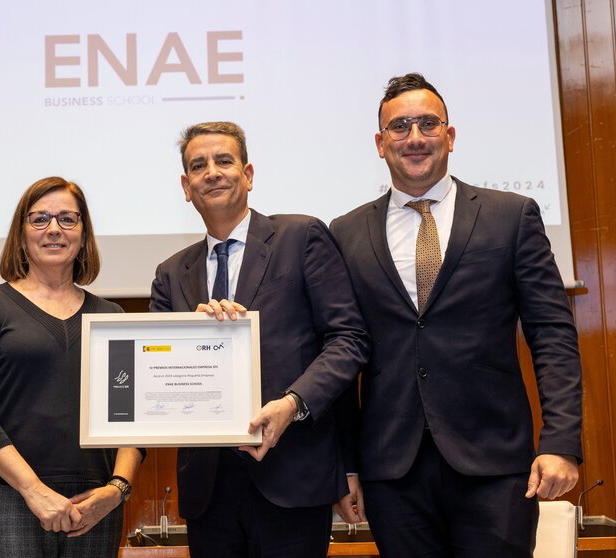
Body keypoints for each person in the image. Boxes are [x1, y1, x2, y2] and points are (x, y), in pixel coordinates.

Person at [329, 73, 583, 557]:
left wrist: (561, 441)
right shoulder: (346, 232)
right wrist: (346, 466)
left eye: (428, 124)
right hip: (391, 467)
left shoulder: (511, 216)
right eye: (400, 127)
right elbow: (343, 352)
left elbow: (552, 334)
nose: (415, 137)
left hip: (495, 463)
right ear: (380, 144)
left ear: (450, 135)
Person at [149, 122, 370, 557]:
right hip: (208, 490)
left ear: (248, 174)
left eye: (224, 161)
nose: (212, 172)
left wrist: (292, 404)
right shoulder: (171, 274)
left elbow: (349, 340)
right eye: (198, 165)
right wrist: (186, 336)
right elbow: (156, 379)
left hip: (293, 473)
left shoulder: (301, 237)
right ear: (186, 186)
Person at [0, 176, 144, 558]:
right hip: (7, 495)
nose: (54, 229)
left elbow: (132, 418)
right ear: (21, 235)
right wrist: (33, 490)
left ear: (83, 235)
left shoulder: (113, 316)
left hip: (96, 501)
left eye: (67, 219)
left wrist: (117, 489)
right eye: (39, 219)